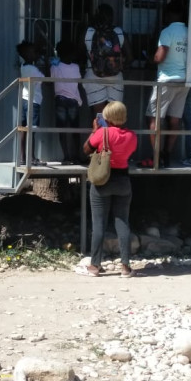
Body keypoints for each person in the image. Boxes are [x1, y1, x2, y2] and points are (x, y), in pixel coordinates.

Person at [82, 101, 137, 277]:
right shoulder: (132, 136)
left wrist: (94, 130)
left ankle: (95, 266)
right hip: (123, 181)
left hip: (102, 181)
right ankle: (125, 267)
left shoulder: (102, 133)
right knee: (123, 222)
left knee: (99, 224)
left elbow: (85, 149)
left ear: (107, 116)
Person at [140, 1, 188, 168]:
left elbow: (160, 57)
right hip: (184, 80)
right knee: (175, 120)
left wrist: (150, 59)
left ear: (169, 15)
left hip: (166, 80)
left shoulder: (167, 32)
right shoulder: (190, 32)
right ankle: (167, 154)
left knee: (153, 118)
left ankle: (156, 156)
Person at [83, 3, 130, 114]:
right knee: (115, 115)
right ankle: (113, 132)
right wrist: (119, 68)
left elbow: (79, 54)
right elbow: (131, 57)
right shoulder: (119, 32)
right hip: (116, 76)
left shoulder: (88, 32)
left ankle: (100, 131)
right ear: (112, 17)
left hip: (93, 75)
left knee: (99, 115)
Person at [51, 40, 83, 164]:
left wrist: (54, 63)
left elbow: (51, 78)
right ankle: (77, 156)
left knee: (62, 130)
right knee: (75, 130)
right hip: (73, 101)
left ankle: (66, 156)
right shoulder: (75, 67)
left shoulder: (55, 66)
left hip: (60, 100)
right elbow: (78, 81)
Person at [18, 40, 46, 166]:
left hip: (25, 99)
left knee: (24, 129)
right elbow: (43, 79)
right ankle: (32, 157)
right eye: (34, 52)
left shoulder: (23, 66)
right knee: (32, 130)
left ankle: (24, 157)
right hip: (33, 101)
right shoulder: (32, 68)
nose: (36, 54)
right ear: (28, 54)